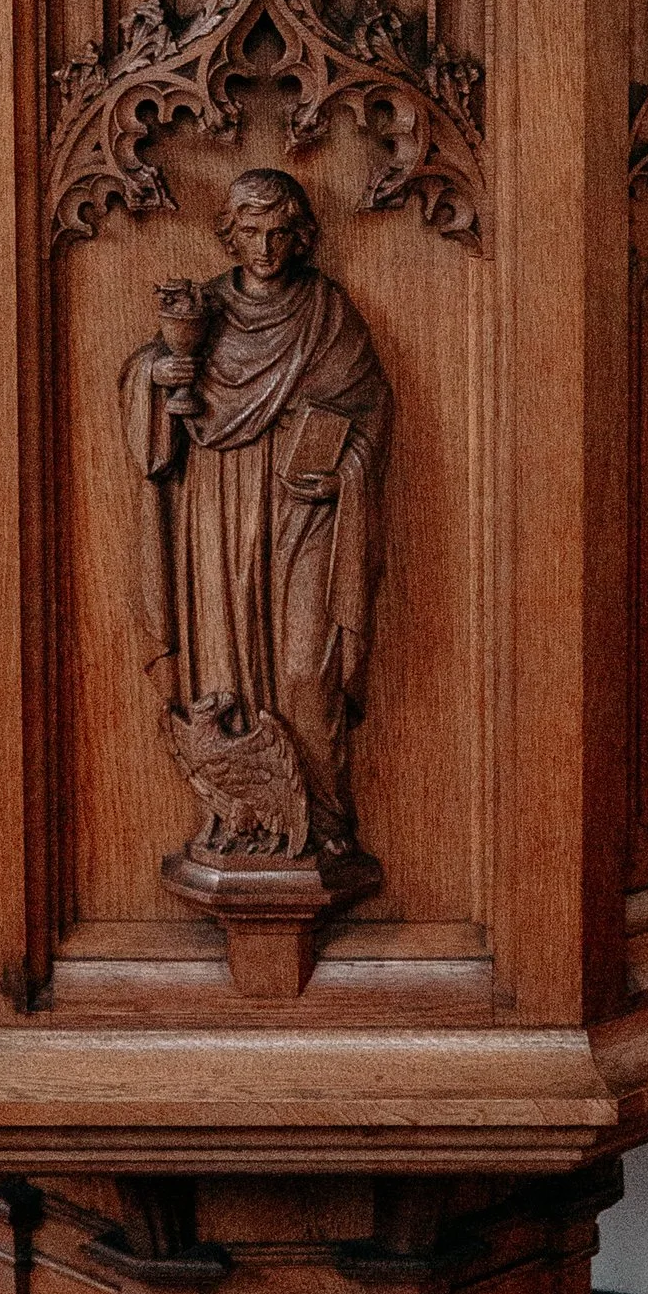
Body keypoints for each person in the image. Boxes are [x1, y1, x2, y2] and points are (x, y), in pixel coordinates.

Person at [121, 167, 390, 859]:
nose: (265, 248)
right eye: (250, 232)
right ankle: (243, 815)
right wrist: (156, 377)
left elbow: (370, 409)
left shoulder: (326, 311)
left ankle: (323, 821)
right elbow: (152, 406)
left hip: (303, 514)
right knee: (222, 683)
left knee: (306, 671)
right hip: (218, 506)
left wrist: (345, 469)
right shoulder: (202, 311)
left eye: (278, 233)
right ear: (230, 235)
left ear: (299, 237)